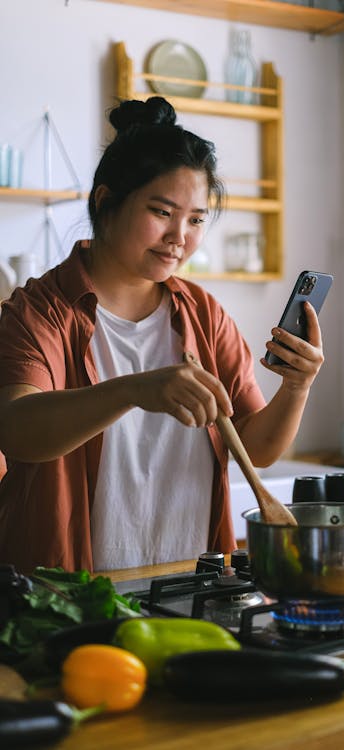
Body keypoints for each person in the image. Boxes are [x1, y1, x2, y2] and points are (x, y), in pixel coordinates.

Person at [0, 97, 324, 574]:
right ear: (105, 200)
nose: (180, 236)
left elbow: (254, 449)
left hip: (190, 583)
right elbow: (17, 431)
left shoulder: (203, 314)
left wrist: (297, 387)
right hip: (69, 592)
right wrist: (136, 388)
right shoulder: (39, 310)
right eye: (162, 211)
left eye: (195, 218)